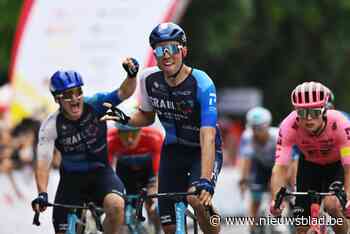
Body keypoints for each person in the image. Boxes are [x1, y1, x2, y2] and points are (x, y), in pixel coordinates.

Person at [102, 22, 223, 234]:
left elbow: (208, 136)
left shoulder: (202, 83)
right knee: (167, 225)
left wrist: (205, 180)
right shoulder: (148, 79)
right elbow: (147, 117)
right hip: (173, 150)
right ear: (155, 54)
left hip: (201, 149)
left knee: (196, 199)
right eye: (160, 49)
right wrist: (124, 118)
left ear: (183, 51)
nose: (166, 55)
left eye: (172, 48)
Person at [31, 57, 139, 234]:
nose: (74, 99)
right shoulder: (51, 125)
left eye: (78, 92)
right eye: (67, 95)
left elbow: (124, 92)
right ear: (57, 99)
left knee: (117, 205)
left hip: (101, 174)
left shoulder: (96, 105)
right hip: (71, 181)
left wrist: (131, 75)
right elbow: (43, 163)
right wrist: (42, 193)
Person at [270, 81, 350, 234]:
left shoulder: (340, 123)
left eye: (314, 112)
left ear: (324, 110)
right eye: (301, 113)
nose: (308, 119)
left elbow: (348, 167)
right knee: (301, 225)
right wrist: (276, 200)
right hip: (309, 166)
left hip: (337, 166)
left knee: (332, 205)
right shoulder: (288, 126)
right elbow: (280, 167)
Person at [107, 122, 163, 233]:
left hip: (147, 169)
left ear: (140, 131)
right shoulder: (110, 139)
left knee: (152, 201)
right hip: (124, 170)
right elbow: (107, 171)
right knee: (123, 206)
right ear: (118, 133)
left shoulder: (154, 137)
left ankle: (157, 228)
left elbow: (157, 172)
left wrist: (154, 191)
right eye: (124, 135)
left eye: (133, 134)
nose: (129, 140)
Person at [238, 107, 278, 233]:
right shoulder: (247, 136)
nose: (256, 132)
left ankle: (276, 220)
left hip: (277, 165)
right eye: (253, 128)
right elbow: (245, 159)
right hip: (259, 166)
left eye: (259, 128)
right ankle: (251, 227)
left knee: (275, 191)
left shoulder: (277, 136)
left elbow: (283, 163)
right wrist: (243, 180)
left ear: (267, 125)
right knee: (255, 197)